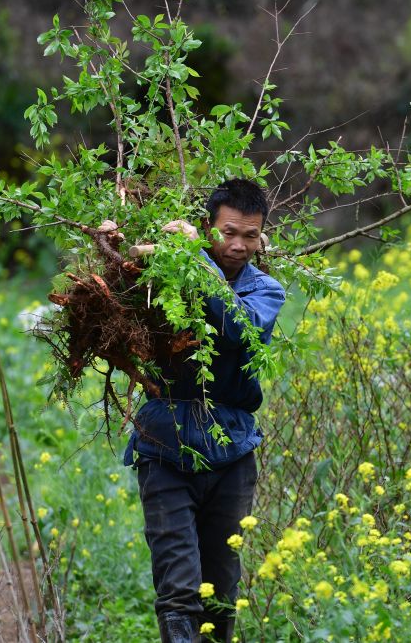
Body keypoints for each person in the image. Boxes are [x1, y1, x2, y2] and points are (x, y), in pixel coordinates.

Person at [122, 178, 286, 642]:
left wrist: (197, 262)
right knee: (177, 589)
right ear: (207, 227)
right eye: (228, 232)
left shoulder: (266, 291)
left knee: (219, 591)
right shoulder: (167, 274)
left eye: (250, 236)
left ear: (261, 237)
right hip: (164, 446)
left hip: (231, 450)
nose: (238, 246)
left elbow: (239, 327)